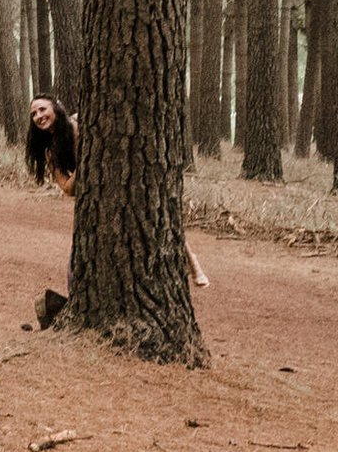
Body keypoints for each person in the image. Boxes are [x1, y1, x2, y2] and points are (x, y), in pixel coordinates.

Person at [28, 96, 207, 325]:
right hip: (91, 203)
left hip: (123, 185)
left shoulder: (80, 124)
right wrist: (86, 162)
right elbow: (67, 188)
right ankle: (78, 305)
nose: (39, 116)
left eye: (42, 109)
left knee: (161, 222)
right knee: (78, 258)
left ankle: (194, 265)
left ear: (56, 107)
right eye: (34, 114)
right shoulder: (50, 151)